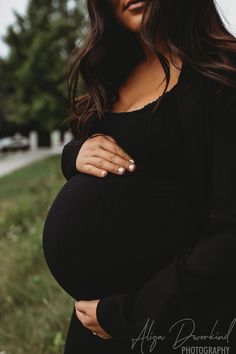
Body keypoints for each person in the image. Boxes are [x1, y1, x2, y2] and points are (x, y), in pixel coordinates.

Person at [42, 0, 236, 353]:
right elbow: (105, 151)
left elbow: (229, 235)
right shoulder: (113, 76)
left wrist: (128, 315)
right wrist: (76, 153)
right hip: (96, 329)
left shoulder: (223, 75)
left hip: (171, 328)